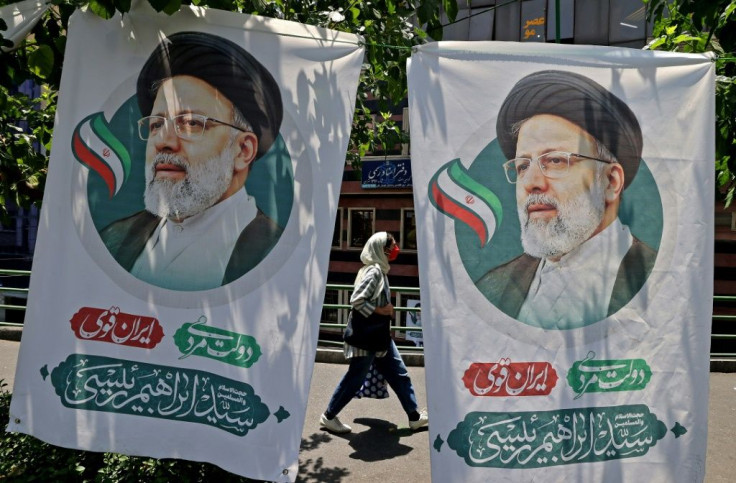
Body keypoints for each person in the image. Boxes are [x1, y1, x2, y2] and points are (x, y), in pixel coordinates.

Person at [100, 31, 284, 291]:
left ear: (243, 150)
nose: (163, 141)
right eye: (156, 124)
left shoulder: (274, 251)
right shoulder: (114, 238)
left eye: (190, 123)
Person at [475, 70, 657, 328]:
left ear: (610, 182)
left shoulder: (657, 278)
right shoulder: (493, 286)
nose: (531, 183)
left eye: (556, 160)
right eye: (522, 166)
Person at [319, 232, 429, 434]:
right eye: (392, 244)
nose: (396, 248)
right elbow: (357, 300)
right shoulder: (374, 272)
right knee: (355, 379)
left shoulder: (377, 270)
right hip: (367, 338)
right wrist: (383, 310)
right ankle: (329, 416)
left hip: (379, 337)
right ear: (381, 249)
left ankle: (413, 416)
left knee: (399, 373)